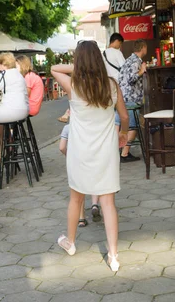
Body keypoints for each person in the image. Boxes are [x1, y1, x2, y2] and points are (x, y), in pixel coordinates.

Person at [51, 41, 129, 272]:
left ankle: (71, 243)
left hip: (80, 151)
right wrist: (123, 134)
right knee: (108, 203)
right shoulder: (112, 85)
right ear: (99, 59)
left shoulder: (74, 84)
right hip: (106, 151)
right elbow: (124, 116)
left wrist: (80, 69)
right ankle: (113, 256)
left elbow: (54, 68)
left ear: (78, 62)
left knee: (76, 198)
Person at [59, 124, 102, 226]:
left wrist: (68, 156)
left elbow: (61, 147)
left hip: (76, 161)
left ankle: (81, 219)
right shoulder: (91, 126)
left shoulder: (68, 128)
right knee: (94, 181)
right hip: (92, 158)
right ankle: (95, 204)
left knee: (79, 188)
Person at [117, 39, 148, 162]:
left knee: (123, 126)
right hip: (131, 98)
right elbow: (131, 79)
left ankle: (119, 151)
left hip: (122, 97)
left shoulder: (128, 60)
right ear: (143, 48)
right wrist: (142, 71)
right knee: (133, 127)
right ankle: (124, 154)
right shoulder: (135, 61)